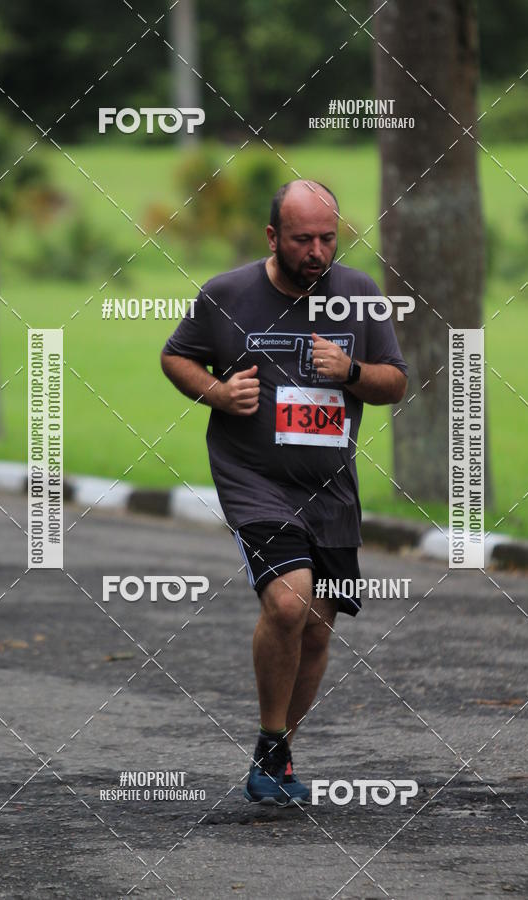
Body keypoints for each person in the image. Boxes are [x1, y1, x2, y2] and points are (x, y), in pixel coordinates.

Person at [161, 179, 408, 805]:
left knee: (319, 630)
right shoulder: (227, 294)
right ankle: (273, 742)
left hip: (331, 489)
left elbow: (394, 383)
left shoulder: (360, 296)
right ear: (274, 237)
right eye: (303, 239)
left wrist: (350, 372)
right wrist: (216, 393)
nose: (317, 251)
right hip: (254, 479)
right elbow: (176, 357)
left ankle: (277, 754)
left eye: (328, 237)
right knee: (289, 605)